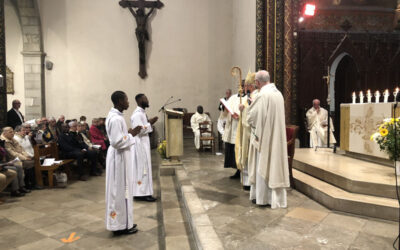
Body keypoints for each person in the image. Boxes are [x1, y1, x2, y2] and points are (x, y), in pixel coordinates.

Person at [247, 70, 290, 208]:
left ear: (258, 82)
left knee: (263, 164)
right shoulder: (279, 94)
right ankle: (275, 199)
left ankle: (263, 198)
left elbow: (251, 118)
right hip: (277, 137)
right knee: (275, 165)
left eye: (256, 83)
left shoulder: (262, 95)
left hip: (265, 138)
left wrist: (250, 105)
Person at [105, 90, 142, 235]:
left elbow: (120, 137)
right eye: (126, 100)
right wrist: (132, 134)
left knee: (123, 191)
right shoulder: (115, 119)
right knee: (118, 192)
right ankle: (118, 226)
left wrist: (129, 134)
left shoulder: (117, 116)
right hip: (118, 159)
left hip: (120, 158)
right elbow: (116, 142)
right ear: (120, 101)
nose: (128, 102)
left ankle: (125, 222)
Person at [131, 93, 158, 202]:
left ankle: (140, 192)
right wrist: (150, 123)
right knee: (143, 169)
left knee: (143, 169)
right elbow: (140, 131)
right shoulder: (137, 114)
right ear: (139, 101)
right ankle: (143, 193)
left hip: (143, 143)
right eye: (145, 99)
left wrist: (148, 123)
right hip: (140, 144)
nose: (147, 100)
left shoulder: (141, 113)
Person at [238, 71, 258, 190]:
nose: (244, 88)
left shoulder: (255, 97)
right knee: (245, 155)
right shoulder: (249, 97)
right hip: (246, 130)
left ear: (250, 86)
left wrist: (243, 108)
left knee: (249, 156)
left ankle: (249, 181)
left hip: (250, 130)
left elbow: (252, 113)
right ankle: (246, 181)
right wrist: (242, 108)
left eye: (245, 86)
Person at [222, 82, 246, 179]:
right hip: (232, 126)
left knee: (239, 148)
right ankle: (237, 169)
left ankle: (242, 171)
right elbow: (226, 110)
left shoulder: (247, 98)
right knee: (232, 149)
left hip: (240, 125)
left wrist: (239, 116)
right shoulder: (232, 97)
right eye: (238, 86)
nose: (240, 88)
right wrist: (227, 110)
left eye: (242, 86)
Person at [1, 128, 35, 193]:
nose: (12, 133)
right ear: (5, 133)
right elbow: (12, 153)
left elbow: (21, 149)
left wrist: (26, 155)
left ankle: (23, 186)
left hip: (17, 158)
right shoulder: (4, 141)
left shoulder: (13, 139)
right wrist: (24, 158)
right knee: (19, 166)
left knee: (31, 162)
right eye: (10, 132)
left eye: (13, 132)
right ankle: (17, 189)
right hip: (11, 159)